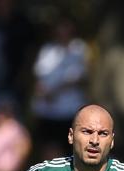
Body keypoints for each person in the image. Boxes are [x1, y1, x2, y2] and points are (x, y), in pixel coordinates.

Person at [31, 19, 88, 160]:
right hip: (48, 110)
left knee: (70, 149)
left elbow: (78, 77)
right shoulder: (47, 50)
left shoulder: (79, 48)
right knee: (48, 149)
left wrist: (55, 91)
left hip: (69, 110)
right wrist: (42, 91)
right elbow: (39, 75)